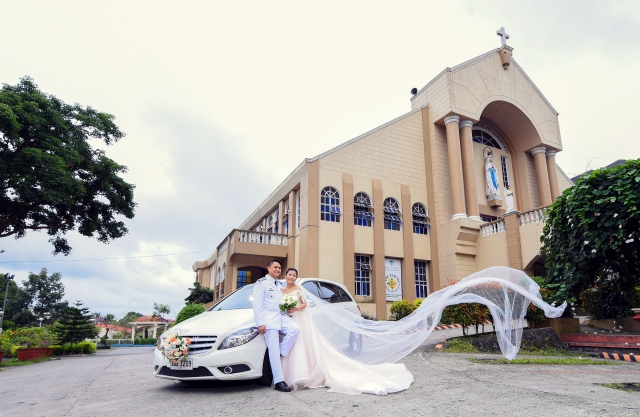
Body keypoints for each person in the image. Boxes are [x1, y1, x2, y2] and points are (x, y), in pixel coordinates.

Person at [279, 268, 414, 395]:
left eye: (294, 275)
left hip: (301, 318)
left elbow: (304, 304)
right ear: (285, 276)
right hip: (288, 320)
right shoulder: (281, 289)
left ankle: (307, 373)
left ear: (296, 277)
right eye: (289, 275)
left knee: (306, 344)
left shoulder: (299, 288)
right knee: (295, 345)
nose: (291, 277)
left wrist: (295, 309)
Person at [252, 259, 300, 392]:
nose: (278, 270)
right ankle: (279, 381)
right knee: (272, 350)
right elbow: (257, 305)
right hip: (269, 321)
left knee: (295, 329)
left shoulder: (279, 284)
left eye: (279, 268)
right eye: (275, 267)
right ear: (268, 268)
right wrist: (260, 323)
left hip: (280, 317)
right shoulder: (261, 283)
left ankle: (281, 351)